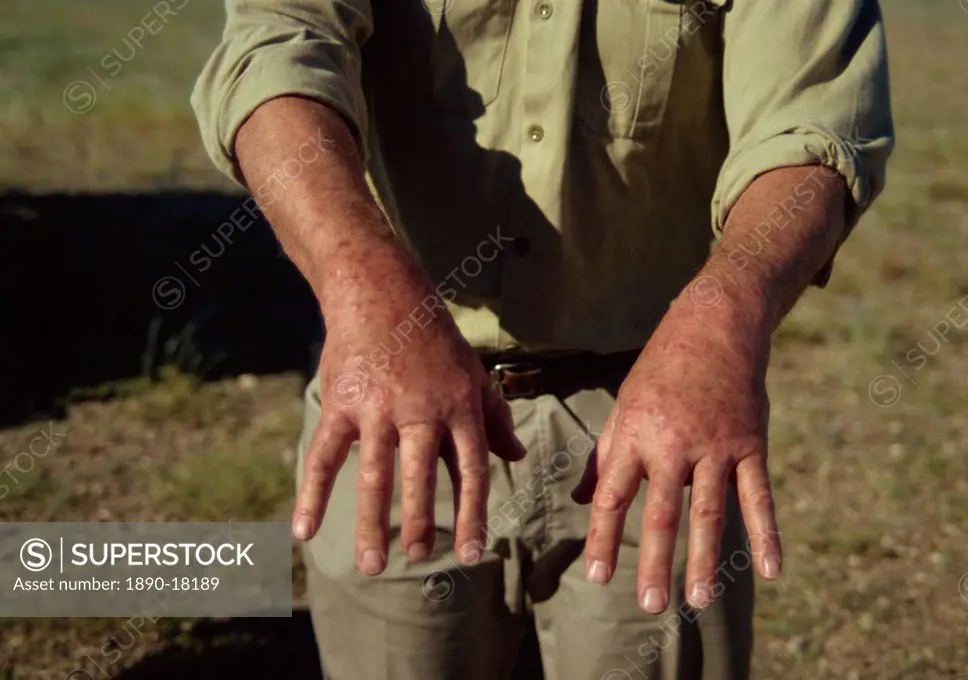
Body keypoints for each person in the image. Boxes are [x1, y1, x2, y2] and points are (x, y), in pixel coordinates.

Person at [192, 1, 893, 678]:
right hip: (397, 387)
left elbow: (811, 119)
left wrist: (723, 319)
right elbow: (277, 51)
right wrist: (364, 289)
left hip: (654, 408)